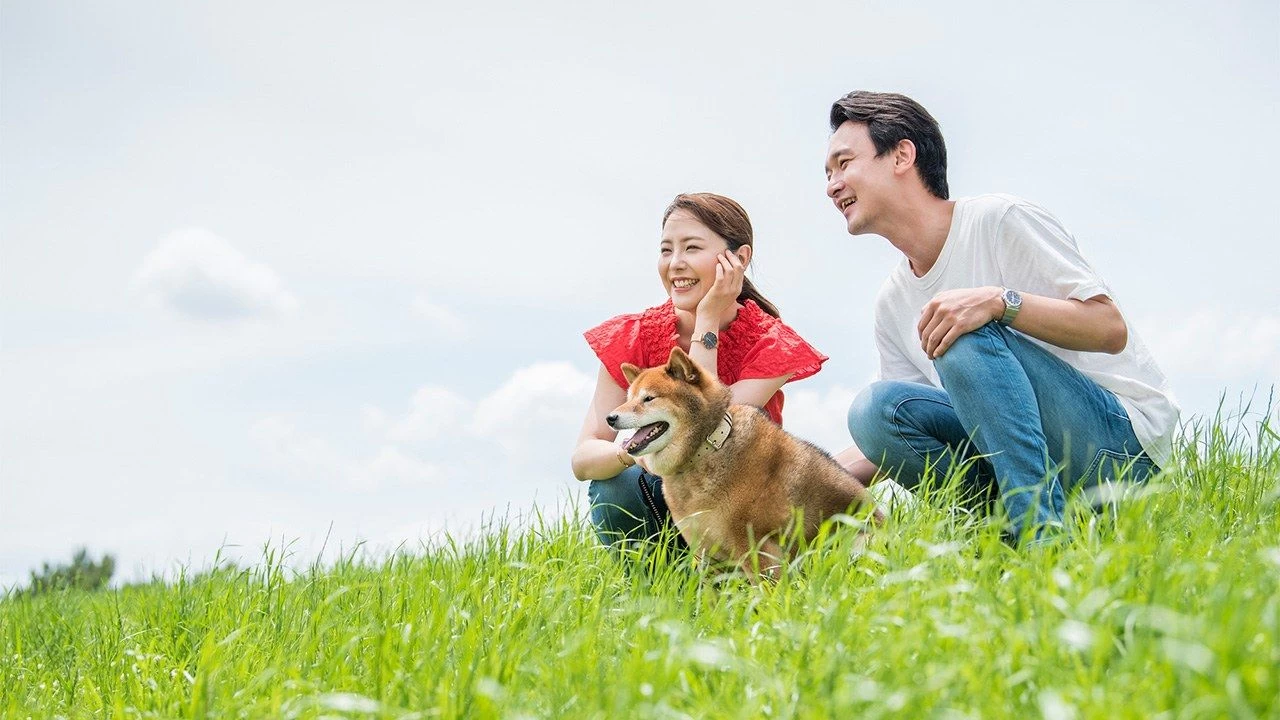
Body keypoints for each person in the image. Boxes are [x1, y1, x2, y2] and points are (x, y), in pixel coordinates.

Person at [824, 91, 1179, 544]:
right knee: (873, 410)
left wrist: (999, 303)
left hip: (1117, 453)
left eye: (844, 163)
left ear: (902, 155)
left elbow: (1109, 329)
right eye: (828, 173)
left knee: (963, 334)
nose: (832, 185)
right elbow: (897, 425)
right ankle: (999, 532)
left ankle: (1040, 537)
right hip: (1026, 464)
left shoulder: (998, 220)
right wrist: (801, 476)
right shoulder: (893, 301)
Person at [571, 193, 829, 551]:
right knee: (615, 484)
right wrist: (633, 452)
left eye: (691, 248)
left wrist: (707, 318)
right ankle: (654, 595)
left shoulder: (770, 342)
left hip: (745, 515)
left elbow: (707, 430)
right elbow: (583, 459)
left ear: (739, 259)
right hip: (664, 506)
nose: (675, 263)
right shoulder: (631, 337)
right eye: (666, 250)